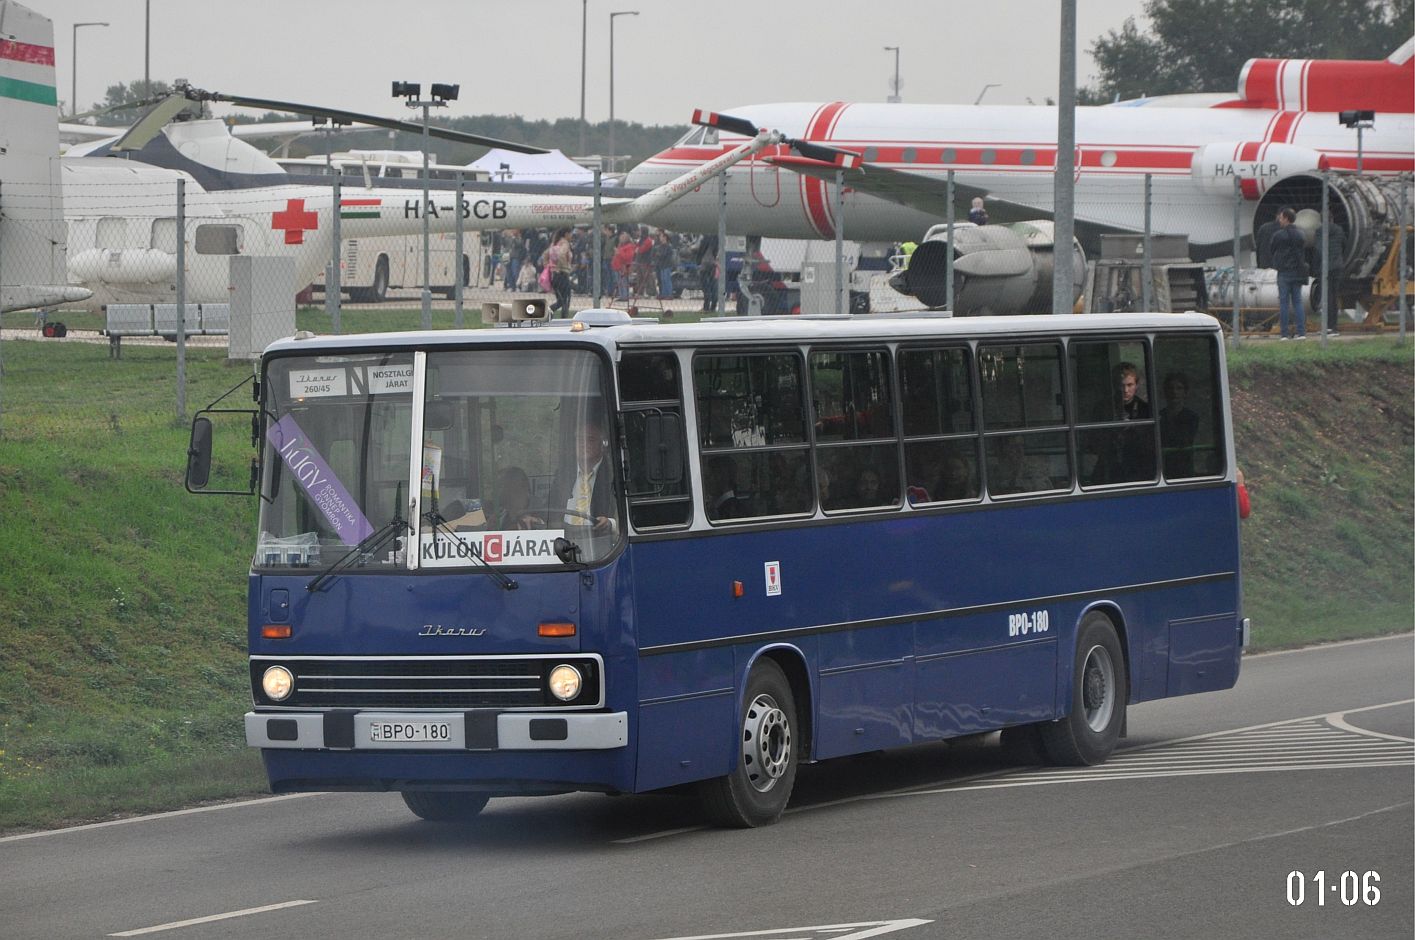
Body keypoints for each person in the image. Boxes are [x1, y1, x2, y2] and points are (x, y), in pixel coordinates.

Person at [557, 415, 616, 535]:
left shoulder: (614, 475)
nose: (583, 444)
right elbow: (551, 507)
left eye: (590, 439)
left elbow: (625, 516)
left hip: (599, 541)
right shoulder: (564, 473)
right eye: (580, 439)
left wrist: (610, 523)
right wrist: (537, 519)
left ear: (603, 445)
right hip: (564, 539)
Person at [1269, 206, 1308, 340]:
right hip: (1297, 271)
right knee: (1298, 301)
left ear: (1285, 218)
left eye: (1281, 217)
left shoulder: (1278, 235)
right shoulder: (1301, 234)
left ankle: (1284, 333)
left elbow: (1272, 248)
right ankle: (1301, 332)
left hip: (1284, 272)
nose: (1279, 220)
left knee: (1284, 303)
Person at [1158, 371, 1199, 478]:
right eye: (1170, 388)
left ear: (1185, 392)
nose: (1174, 392)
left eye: (1179, 388)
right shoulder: (1158, 417)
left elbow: (1184, 440)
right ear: (1165, 392)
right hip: (1162, 469)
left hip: (1184, 470)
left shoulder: (1192, 417)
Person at [1315, 218, 1347, 333]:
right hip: (1338, 266)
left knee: (1327, 298)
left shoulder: (1320, 230)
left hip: (1326, 268)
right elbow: (1344, 244)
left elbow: (1319, 248)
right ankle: (1333, 327)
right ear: (1332, 218)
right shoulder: (1339, 229)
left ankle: (1328, 327)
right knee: (1333, 297)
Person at [704, 455, 750, 520]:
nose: (707, 480)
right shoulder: (718, 505)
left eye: (710, 475)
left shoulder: (730, 509)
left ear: (721, 477)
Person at [494, 466, 540, 530]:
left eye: (504, 486)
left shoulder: (541, 510)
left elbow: (550, 525)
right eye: (499, 487)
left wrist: (537, 522)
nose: (500, 492)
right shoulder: (499, 515)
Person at [547, 229, 574, 318]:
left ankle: (548, 312)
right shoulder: (565, 243)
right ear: (566, 234)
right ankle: (563, 318)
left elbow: (545, 255)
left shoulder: (554, 243)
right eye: (571, 234)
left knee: (560, 301)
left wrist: (552, 266)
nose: (572, 236)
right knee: (566, 299)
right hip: (562, 274)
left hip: (554, 274)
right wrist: (565, 266)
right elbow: (561, 255)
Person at [652, 229, 677, 299]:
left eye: (661, 237)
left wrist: (659, 254)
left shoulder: (668, 246)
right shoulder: (660, 246)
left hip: (667, 265)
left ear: (665, 237)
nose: (660, 238)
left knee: (667, 279)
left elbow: (663, 254)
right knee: (662, 280)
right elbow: (657, 254)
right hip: (661, 265)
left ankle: (669, 294)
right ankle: (663, 294)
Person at [697, 236, 719, 312]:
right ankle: (713, 306)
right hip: (713, 263)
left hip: (705, 263)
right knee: (713, 286)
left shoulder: (705, 238)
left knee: (706, 286)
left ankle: (706, 307)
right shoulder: (717, 238)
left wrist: (698, 261)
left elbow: (700, 251)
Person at [611, 233, 636, 300]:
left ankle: (625, 296)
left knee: (624, 282)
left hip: (623, 267)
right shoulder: (620, 246)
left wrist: (619, 253)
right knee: (619, 282)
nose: (620, 239)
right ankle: (621, 296)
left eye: (622, 237)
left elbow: (628, 257)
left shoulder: (629, 247)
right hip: (617, 267)